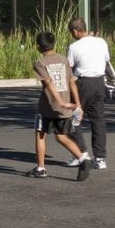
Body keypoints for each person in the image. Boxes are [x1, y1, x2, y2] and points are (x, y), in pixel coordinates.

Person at [25, 31, 92, 181]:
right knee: (61, 136)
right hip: (65, 107)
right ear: (53, 43)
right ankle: (83, 159)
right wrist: (78, 104)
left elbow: (48, 84)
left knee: (40, 134)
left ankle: (41, 168)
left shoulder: (39, 63)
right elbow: (71, 82)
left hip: (47, 106)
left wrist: (60, 102)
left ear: (38, 46)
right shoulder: (63, 59)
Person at [66, 17, 110, 170]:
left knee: (74, 117)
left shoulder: (74, 47)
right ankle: (100, 158)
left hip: (83, 83)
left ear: (76, 32)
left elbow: (69, 68)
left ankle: (80, 153)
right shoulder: (101, 42)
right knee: (98, 121)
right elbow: (106, 60)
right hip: (99, 83)